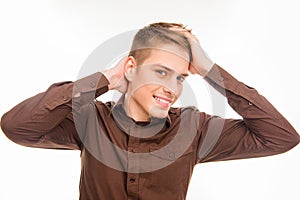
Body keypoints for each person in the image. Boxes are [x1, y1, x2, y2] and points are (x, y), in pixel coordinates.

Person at [1, 22, 299, 200]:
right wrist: (105, 80)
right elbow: (17, 126)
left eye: (180, 77)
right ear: (131, 67)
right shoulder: (90, 120)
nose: (172, 87)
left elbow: (281, 137)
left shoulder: (194, 128)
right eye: (160, 71)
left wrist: (210, 71)